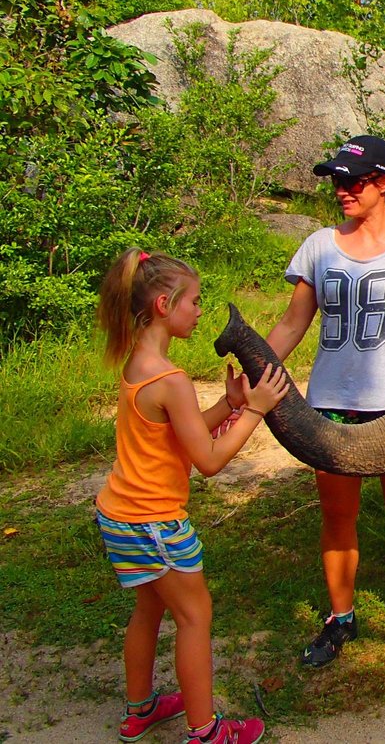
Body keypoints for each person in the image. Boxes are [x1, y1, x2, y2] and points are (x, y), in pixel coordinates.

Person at [265, 134, 385, 668]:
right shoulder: (319, 246)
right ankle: (339, 619)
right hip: (329, 405)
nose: (340, 191)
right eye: (335, 181)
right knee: (336, 514)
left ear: (384, 183)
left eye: (351, 181)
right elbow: (292, 323)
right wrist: (256, 370)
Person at [94, 248, 289, 744]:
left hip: (120, 515)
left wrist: (228, 403)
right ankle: (206, 732)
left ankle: (141, 710)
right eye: (195, 302)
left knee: (148, 610)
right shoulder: (172, 380)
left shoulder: (140, 363)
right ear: (164, 304)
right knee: (194, 616)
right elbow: (208, 460)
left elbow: (178, 438)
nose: (200, 311)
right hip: (154, 521)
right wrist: (256, 412)